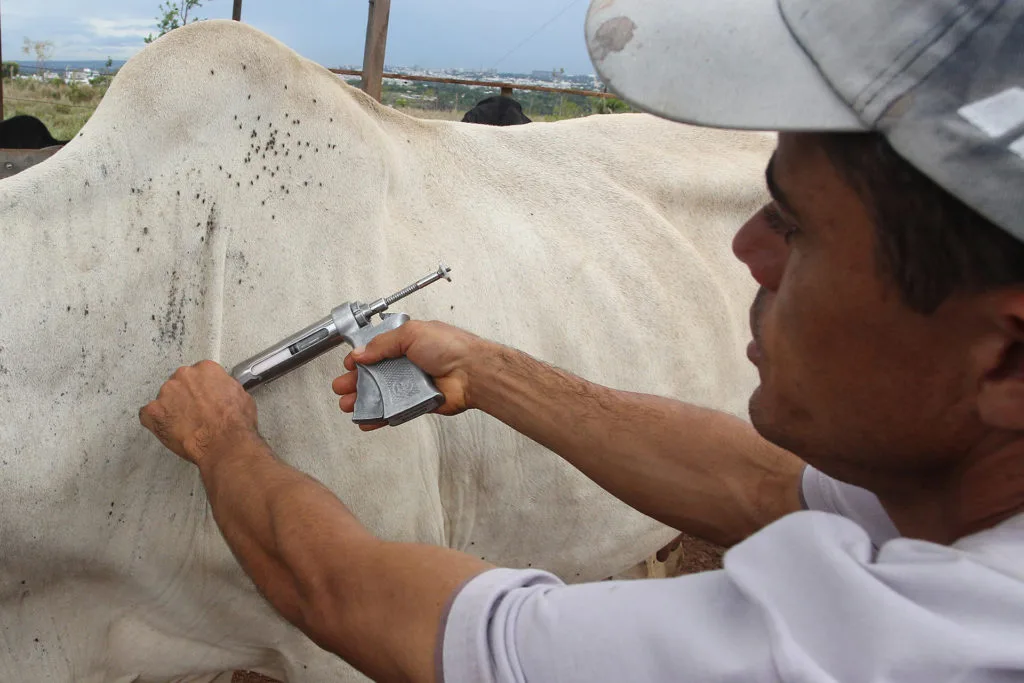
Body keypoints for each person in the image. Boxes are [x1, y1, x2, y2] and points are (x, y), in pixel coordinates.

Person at [139, 0, 1024, 680]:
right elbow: (762, 487)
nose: (745, 247)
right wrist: (486, 369)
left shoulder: (893, 650)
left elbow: (357, 600)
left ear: (1010, 357)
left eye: (796, 227)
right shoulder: (973, 497)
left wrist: (224, 442)